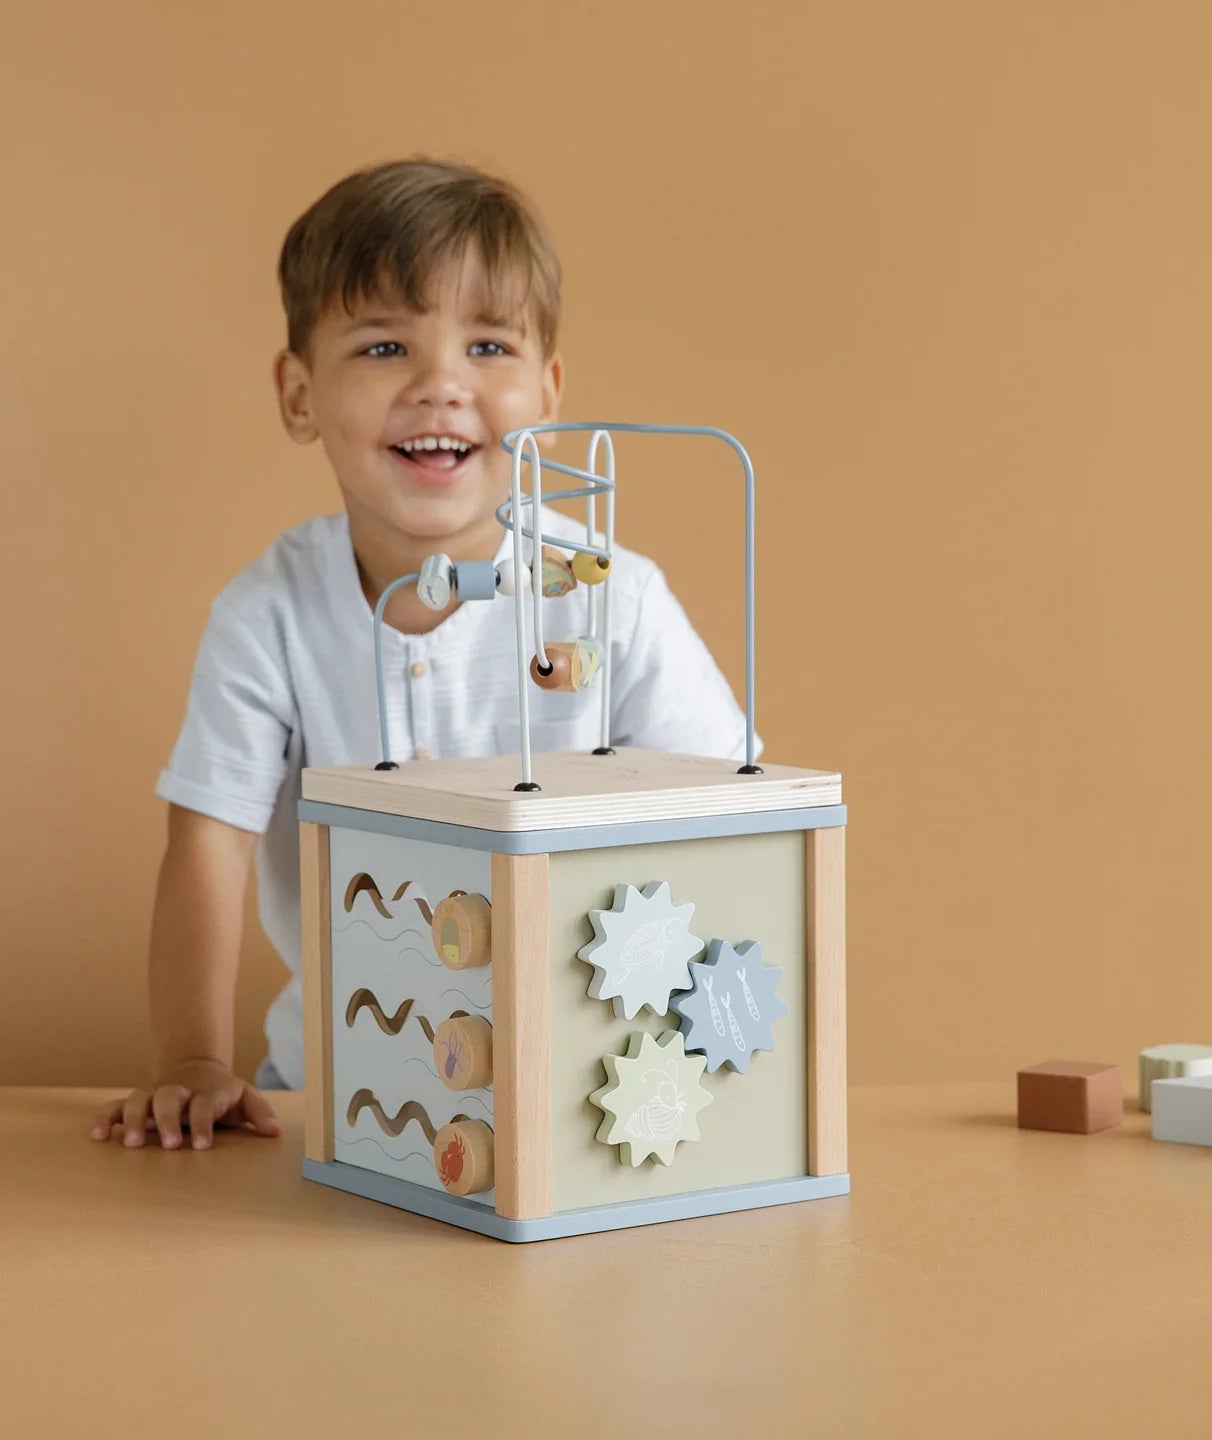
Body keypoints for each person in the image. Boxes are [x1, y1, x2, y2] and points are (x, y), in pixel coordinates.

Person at [91, 157, 755, 1150]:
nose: (441, 385)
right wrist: (192, 1059)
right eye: (386, 345)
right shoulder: (268, 614)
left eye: (489, 346)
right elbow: (207, 847)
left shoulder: (611, 598)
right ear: (299, 394)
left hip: (584, 1092)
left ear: (547, 395)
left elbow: (727, 823)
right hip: (339, 1089)